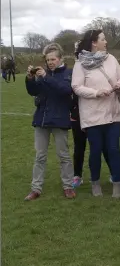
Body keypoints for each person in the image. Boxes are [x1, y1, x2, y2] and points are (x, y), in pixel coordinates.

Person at [71, 29, 120, 199]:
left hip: (112, 111)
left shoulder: (111, 59)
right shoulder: (80, 64)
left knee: (113, 149)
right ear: (94, 42)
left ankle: (117, 183)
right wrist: (96, 93)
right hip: (92, 114)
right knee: (95, 150)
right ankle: (95, 183)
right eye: (103, 39)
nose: (106, 42)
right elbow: (76, 87)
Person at [24, 43, 75, 200]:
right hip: (42, 120)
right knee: (40, 156)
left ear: (60, 59)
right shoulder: (43, 73)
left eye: (53, 59)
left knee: (64, 156)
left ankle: (68, 186)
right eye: (48, 60)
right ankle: (36, 188)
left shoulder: (68, 73)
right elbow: (33, 91)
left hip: (59, 120)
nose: (50, 62)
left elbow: (66, 90)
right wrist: (30, 78)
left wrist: (46, 77)